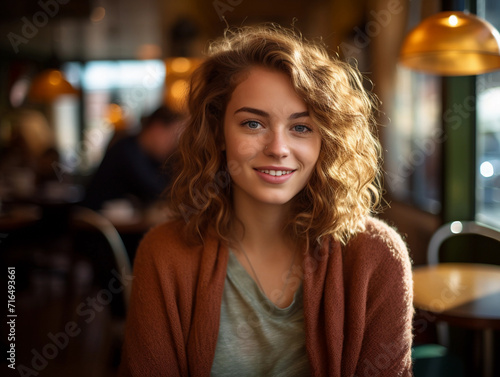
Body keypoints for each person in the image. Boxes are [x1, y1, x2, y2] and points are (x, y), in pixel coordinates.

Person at [118, 25, 413, 377]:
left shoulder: (376, 256)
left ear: (326, 141)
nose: (277, 148)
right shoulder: (164, 253)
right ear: (218, 131)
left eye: (301, 127)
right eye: (253, 124)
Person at [82, 105, 184, 211]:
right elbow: (158, 190)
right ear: (156, 128)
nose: (173, 144)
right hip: (95, 222)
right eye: (172, 137)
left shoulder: (149, 156)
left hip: (119, 222)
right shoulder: (126, 151)